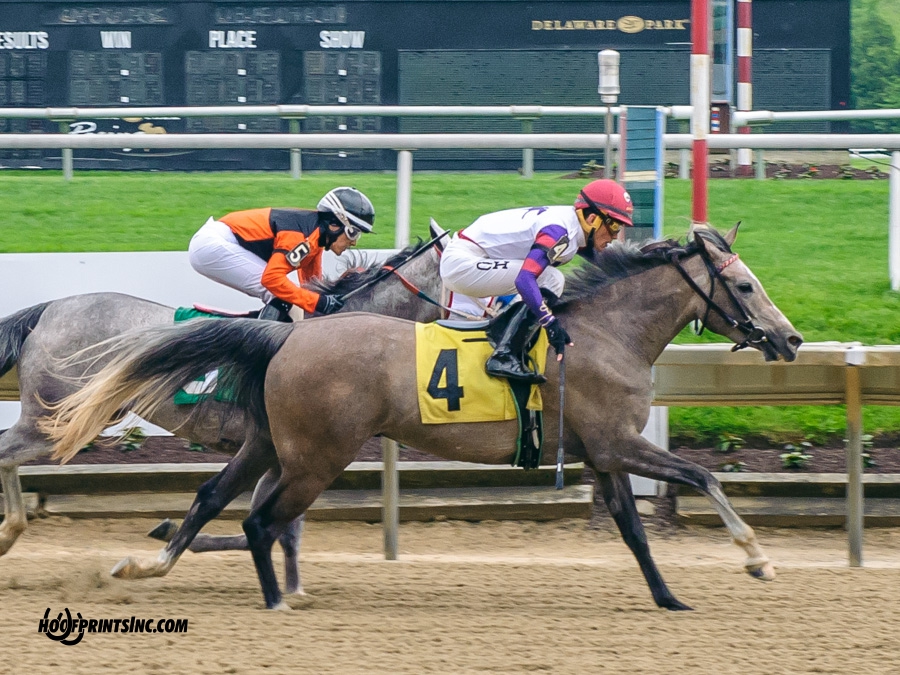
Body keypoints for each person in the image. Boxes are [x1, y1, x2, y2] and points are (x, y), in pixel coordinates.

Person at [439, 178, 634, 383]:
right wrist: (550, 323)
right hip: (462, 262)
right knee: (550, 279)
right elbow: (524, 279)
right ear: (592, 218)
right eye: (613, 225)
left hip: (474, 257)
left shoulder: (574, 228)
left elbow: (608, 264)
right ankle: (504, 354)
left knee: (550, 279)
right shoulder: (559, 231)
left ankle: (507, 339)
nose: (615, 234)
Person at [188, 187, 375, 322]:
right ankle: (259, 357)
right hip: (212, 244)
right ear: (334, 224)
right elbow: (271, 279)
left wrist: (322, 300)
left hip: (218, 241)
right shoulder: (300, 237)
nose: (354, 242)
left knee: (293, 296)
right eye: (353, 233)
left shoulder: (315, 239)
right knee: (281, 294)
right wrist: (318, 302)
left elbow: (311, 287)